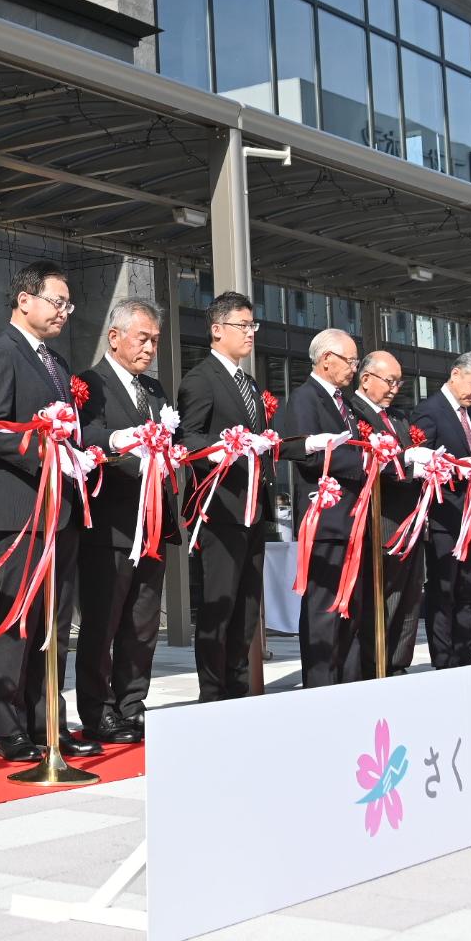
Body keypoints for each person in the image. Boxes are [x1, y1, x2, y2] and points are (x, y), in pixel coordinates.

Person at [0, 260, 97, 762]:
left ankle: (49, 718)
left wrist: (79, 454)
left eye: (69, 304)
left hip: (60, 507)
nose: (65, 312)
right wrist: (50, 455)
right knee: (17, 620)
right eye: (57, 301)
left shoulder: (57, 364)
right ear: (24, 300)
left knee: (57, 620)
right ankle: (11, 728)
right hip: (22, 506)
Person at [74, 296, 176, 743]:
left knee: (143, 621)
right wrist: (128, 448)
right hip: (109, 523)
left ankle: (133, 704)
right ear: (114, 337)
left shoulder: (154, 391)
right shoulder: (88, 384)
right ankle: (98, 711)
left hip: (151, 522)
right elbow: (88, 436)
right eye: (143, 338)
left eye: (155, 340)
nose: (150, 348)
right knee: (103, 622)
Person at [177, 291, 275, 702]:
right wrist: (227, 449)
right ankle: (212, 690)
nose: (250, 333)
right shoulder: (200, 379)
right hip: (220, 507)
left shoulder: (249, 383)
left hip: (255, 507)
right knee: (219, 603)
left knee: (248, 605)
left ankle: (237, 684)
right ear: (217, 330)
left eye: (253, 325)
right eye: (242, 325)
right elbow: (189, 438)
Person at [272, 329, 372, 688]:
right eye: (350, 361)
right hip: (325, 520)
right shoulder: (305, 398)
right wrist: (362, 461)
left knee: (350, 612)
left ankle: (347, 681)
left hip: (351, 522)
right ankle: (320, 686)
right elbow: (307, 456)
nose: (354, 368)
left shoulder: (346, 403)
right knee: (323, 610)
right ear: (326, 359)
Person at [411, 349, 471, 669]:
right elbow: (423, 464)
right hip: (443, 516)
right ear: (456, 374)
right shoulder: (429, 411)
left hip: (470, 516)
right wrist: (460, 468)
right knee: (443, 589)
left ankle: (466, 654)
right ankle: (444, 659)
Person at [346, 351, 425, 678]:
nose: (394, 388)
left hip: (410, 523)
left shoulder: (401, 419)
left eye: (398, 382)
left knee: (409, 598)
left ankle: (397, 663)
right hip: (380, 521)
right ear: (365, 379)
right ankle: (375, 665)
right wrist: (405, 462)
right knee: (380, 598)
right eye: (389, 381)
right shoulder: (354, 412)